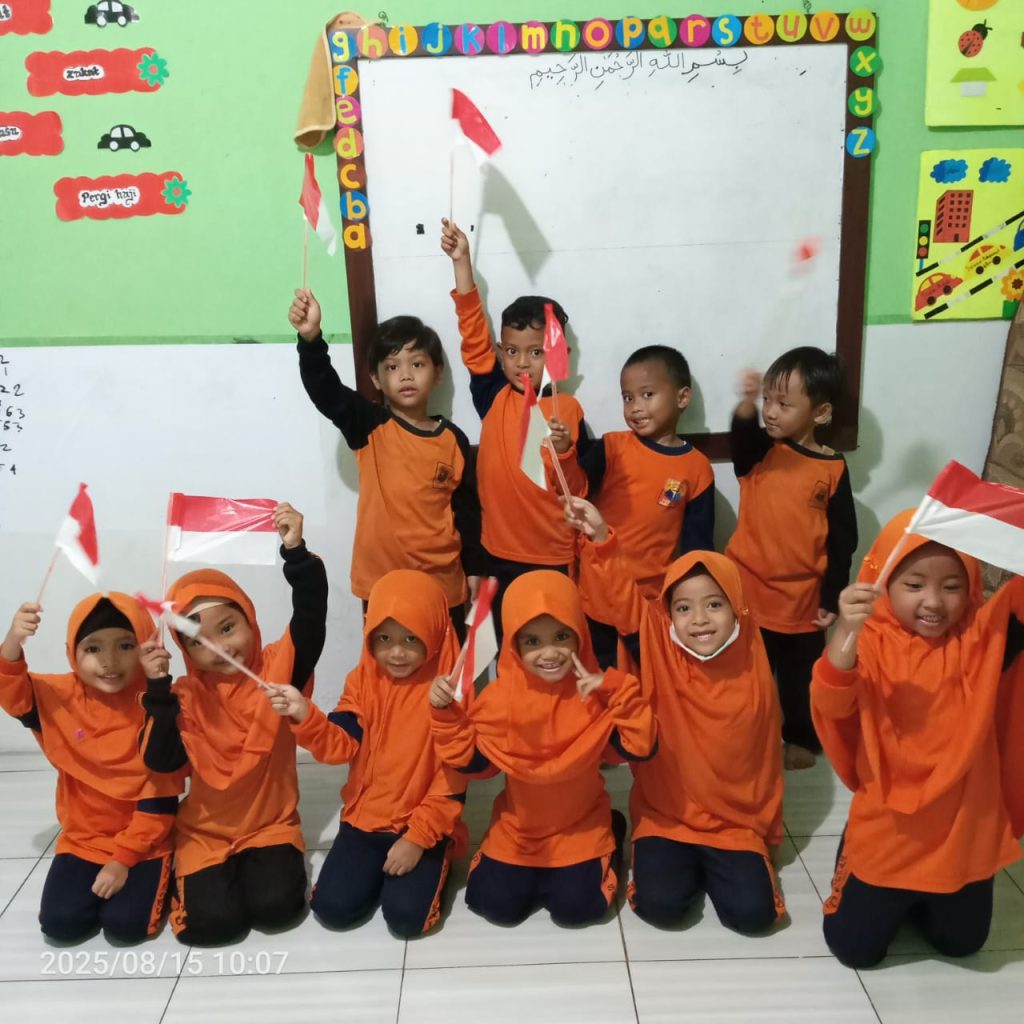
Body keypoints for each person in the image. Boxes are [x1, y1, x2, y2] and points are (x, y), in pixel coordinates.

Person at [812, 509, 1024, 967]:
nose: (934, 602)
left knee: (961, 943)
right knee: (855, 951)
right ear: (883, 581)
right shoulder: (871, 639)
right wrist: (847, 630)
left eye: (952, 586)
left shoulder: (982, 636)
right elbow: (831, 701)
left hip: (961, 834)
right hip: (890, 829)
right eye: (913, 584)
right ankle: (857, 852)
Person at [568, 497, 785, 932]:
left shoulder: (753, 660)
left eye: (715, 605)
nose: (699, 620)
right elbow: (620, 599)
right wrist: (600, 536)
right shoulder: (660, 647)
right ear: (669, 614)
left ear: (738, 608)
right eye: (683, 608)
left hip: (736, 824)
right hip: (666, 818)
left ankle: (720, 867)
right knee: (660, 908)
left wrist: (762, 830)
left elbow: (765, 762)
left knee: (752, 916)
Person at [139, 502, 328, 945]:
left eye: (228, 628)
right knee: (212, 926)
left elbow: (310, 617)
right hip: (205, 832)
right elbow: (161, 762)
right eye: (199, 641)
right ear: (184, 649)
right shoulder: (182, 697)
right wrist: (158, 690)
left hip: (271, 825)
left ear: (250, 619)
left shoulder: (278, 671)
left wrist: (296, 553)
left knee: (278, 910)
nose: (220, 648)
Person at [430, 571, 655, 926]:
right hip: (519, 832)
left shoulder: (596, 692)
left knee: (579, 909)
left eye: (562, 636)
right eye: (533, 641)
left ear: (580, 635)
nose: (549, 653)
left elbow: (639, 747)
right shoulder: (497, 700)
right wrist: (444, 715)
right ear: (513, 644)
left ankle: (611, 828)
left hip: (582, 828)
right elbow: (474, 766)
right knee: (493, 905)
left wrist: (618, 689)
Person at [262, 569, 469, 938]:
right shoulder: (361, 680)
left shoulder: (450, 690)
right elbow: (340, 744)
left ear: (437, 631)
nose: (397, 652)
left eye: (412, 638)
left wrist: (417, 839)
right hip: (364, 820)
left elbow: (452, 782)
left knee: (406, 919)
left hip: (420, 824)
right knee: (332, 910)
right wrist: (305, 715)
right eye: (384, 638)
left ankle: (442, 849)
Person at [290, 288, 482, 639]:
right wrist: (311, 339)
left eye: (417, 364)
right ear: (377, 379)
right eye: (393, 367)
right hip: (383, 583)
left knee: (447, 669)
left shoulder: (454, 439)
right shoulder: (369, 424)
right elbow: (326, 391)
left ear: (437, 372)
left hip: (443, 584)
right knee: (390, 667)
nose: (405, 375)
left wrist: (475, 568)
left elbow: (466, 511)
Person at [440, 219, 591, 639]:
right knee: (505, 646)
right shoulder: (494, 397)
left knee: (553, 648)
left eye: (536, 352)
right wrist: (461, 263)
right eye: (512, 351)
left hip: (553, 557)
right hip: (495, 555)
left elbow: (579, 491)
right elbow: (473, 336)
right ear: (501, 353)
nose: (522, 362)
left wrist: (566, 451)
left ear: (559, 355)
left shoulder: (569, 410)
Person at [0, 593, 182, 942]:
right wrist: (12, 642)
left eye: (126, 646)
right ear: (72, 652)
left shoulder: (159, 704)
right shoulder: (60, 698)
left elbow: (161, 800)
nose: (109, 662)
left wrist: (122, 861)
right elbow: (12, 692)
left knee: (126, 927)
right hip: (82, 841)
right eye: (93, 648)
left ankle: (172, 870)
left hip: (146, 842)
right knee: (60, 924)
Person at [725, 347, 857, 769]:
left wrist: (831, 596)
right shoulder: (760, 453)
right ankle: (748, 737)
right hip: (748, 592)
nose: (771, 411)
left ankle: (801, 738)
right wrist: (745, 406)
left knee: (800, 679)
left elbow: (842, 541)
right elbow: (741, 443)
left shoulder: (833, 468)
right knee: (748, 675)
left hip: (802, 602)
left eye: (783, 404)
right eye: (768, 399)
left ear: (820, 413)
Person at [553, 345, 714, 667]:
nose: (635, 407)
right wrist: (565, 452)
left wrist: (692, 604)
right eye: (628, 397)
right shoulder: (612, 447)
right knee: (602, 679)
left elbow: (698, 549)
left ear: (682, 397)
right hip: (597, 595)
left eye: (647, 394)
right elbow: (575, 489)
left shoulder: (697, 468)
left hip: (650, 603)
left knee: (648, 679)